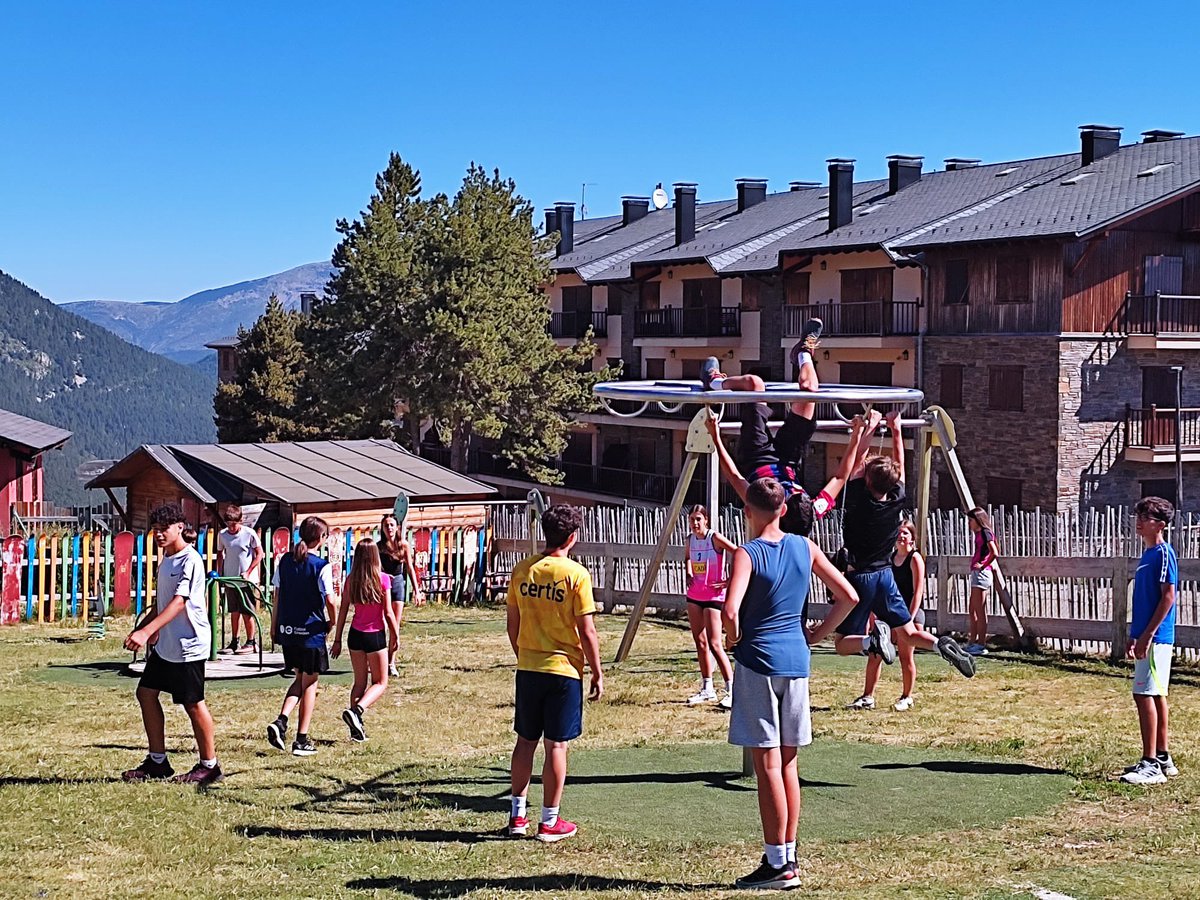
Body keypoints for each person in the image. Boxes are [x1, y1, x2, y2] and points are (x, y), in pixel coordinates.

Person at [723, 477, 859, 890]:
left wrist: (734, 639)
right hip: (797, 662)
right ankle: (790, 855)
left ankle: (776, 862)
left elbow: (730, 609)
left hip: (758, 663)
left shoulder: (747, 553)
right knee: (788, 764)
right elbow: (848, 596)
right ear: (783, 510)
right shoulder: (805, 547)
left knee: (766, 766)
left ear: (748, 510)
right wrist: (817, 634)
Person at [831, 411, 976, 681]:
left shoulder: (860, 500)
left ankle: (870, 642)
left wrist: (869, 428)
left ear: (868, 481)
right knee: (907, 632)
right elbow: (899, 466)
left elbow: (857, 461)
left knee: (841, 643)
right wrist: (896, 430)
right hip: (885, 577)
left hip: (860, 577)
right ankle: (939, 644)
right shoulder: (895, 499)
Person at [505, 504, 603, 843]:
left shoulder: (522, 570)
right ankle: (549, 822)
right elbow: (587, 630)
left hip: (529, 667)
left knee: (525, 741)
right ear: (573, 537)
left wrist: (524, 653)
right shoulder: (576, 575)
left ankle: (517, 817)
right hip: (564, 671)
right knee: (556, 745)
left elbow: (512, 624)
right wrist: (597, 670)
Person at [121, 503, 222, 785]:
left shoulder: (191, 561)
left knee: (193, 703)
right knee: (146, 693)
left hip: (189, 645)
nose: (159, 535)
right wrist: (144, 628)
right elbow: (163, 603)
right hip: (167, 645)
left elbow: (180, 603)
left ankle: (210, 766)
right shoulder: (167, 559)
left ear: (180, 527)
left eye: (164, 529)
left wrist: (147, 631)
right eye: (155, 530)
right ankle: (157, 762)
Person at [701, 318, 823, 489]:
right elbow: (840, 478)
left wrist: (716, 437)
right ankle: (803, 352)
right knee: (809, 390)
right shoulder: (809, 509)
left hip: (755, 457)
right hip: (788, 459)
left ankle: (713, 381)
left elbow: (735, 477)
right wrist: (860, 434)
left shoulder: (759, 506)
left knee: (754, 383)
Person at [1120, 496, 1179, 786]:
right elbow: (1144, 601)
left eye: (1146, 516)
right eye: (1138, 515)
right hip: (1145, 637)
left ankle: (1150, 764)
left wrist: (1148, 636)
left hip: (1156, 639)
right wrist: (1135, 635)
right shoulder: (1147, 556)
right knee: (1155, 694)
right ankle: (1162, 756)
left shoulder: (1164, 554)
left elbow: (1168, 596)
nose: (1139, 521)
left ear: (1161, 524)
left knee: (1143, 694)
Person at [266, 516, 335, 757]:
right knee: (310, 684)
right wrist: (332, 622)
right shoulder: (321, 566)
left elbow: (277, 595)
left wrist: (274, 627)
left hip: (288, 630)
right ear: (322, 538)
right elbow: (330, 599)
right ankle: (301, 739)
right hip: (311, 633)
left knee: (299, 679)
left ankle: (281, 721)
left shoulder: (285, 561)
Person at [850, 520, 927, 711]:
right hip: (888, 613)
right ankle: (868, 696)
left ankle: (906, 697)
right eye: (899, 532)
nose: (901, 536)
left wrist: (908, 618)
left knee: (905, 656)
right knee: (875, 653)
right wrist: (874, 614)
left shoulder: (914, 558)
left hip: (909, 614)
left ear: (912, 537)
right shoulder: (889, 559)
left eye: (906, 533)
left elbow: (918, 592)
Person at [331, 538, 399, 743]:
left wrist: (337, 639)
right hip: (374, 635)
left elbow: (343, 610)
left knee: (359, 683)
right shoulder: (383, 579)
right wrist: (395, 635)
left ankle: (356, 730)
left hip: (355, 634)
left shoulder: (351, 579)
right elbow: (388, 612)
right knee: (380, 681)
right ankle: (358, 711)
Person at [683, 504, 737, 709]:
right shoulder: (689, 540)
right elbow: (688, 557)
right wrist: (689, 572)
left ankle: (731, 689)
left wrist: (729, 579)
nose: (695, 523)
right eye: (692, 520)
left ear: (706, 520)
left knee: (715, 643)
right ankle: (707, 688)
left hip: (714, 596)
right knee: (700, 641)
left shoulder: (714, 538)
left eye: (698, 519)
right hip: (694, 594)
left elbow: (738, 552)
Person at [378, 513, 424, 678]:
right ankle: (379, 661)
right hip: (383, 585)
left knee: (394, 626)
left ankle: (391, 662)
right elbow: (375, 568)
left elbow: (410, 568)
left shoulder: (403, 545)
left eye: (391, 525)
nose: (389, 528)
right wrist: (382, 576)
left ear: (397, 527)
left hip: (397, 584)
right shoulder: (378, 547)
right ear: (382, 529)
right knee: (382, 622)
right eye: (386, 525)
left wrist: (417, 590)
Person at [217, 505, 265, 656]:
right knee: (234, 611)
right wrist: (220, 573)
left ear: (241, 521)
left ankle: (251, 641)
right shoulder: (223, 535)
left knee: (247, 611)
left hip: (246, 580)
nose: (231, 528)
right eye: (228, 524)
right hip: (231, 579)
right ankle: (234, 641)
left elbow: (260, 554)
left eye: (234, 524)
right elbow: (220, 554)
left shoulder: (249, 534)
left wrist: (249, 571)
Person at [964, 508, 1000, 656]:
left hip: (982, 573)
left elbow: (994, 552)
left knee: (979, 610)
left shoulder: (985, 532)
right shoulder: (978, 534)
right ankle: (972, 641)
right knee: (972, 609)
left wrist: (983, 565)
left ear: (978, 520)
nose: (969, 523)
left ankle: (981, 644)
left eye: (971, 520)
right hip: (976, 572)